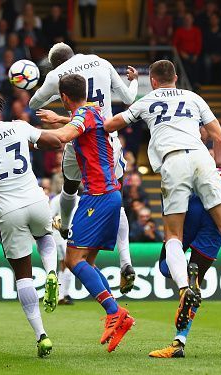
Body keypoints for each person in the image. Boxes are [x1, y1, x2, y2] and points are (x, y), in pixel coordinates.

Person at [103, 60, 221, 334]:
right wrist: (217, 167)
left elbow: (111, 125)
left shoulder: (148, 99)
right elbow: (219, 138)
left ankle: (184, 289)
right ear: (176, 78)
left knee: (174, 238)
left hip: (174, 162)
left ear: (154, 81)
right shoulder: (194, 97)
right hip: (202, 158)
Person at [31, 42, 139, 295]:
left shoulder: (57, 75)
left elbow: (35, 102)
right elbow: (128, 98)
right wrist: (133, 81)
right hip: (109, 140)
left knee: (69, 186)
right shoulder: (103, 62)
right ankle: (126, 262)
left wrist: (44, 90)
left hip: (80, 142)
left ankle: (65, 226)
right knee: (117, 199)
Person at [0, 91, 62, 357]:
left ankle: (42, 336)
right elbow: (53, 142)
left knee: (23, 275)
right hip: (35, 198)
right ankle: (52, 271)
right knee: (45, 236)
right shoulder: (17, 127)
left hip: (8, 210)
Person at [40, 74, 135, 353]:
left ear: (64, 97)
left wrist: (29, 134)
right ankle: (118, 315)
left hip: (98, 196)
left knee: (72, 259)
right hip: (110, 195)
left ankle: (113, 311)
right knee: (87, 262)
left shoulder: (82, 115)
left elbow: (66, 136)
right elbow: (77, 125)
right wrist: (58, 119)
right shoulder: (93, 109)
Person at [149, 163, 221, 358]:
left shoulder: (207, 168)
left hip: (192, 207)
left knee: (166, 265)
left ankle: (186, 282)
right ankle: (179, 341)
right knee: (196, 284)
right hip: (215, 216)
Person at [49, 194, 76, 305]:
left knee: (63, 264)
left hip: (66, 234)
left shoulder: (57, 199)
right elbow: (51, 218)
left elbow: (50, 217)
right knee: (69, 262)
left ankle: (62, 294)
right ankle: (62, 295)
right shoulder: (57, 199)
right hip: (62, 235)